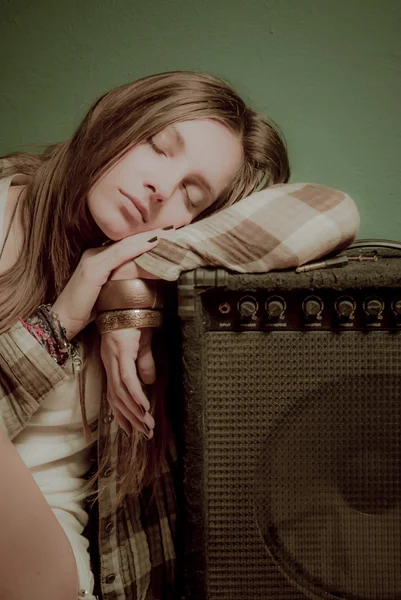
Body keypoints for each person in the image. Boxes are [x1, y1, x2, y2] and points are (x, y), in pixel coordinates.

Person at [0, 70, 290, 600]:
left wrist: (127, 288)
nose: (162, 187)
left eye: (193, 194)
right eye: (159, 147)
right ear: (119, 120)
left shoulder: (161, 280)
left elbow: (332, 212)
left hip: (48, 578)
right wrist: (60, 322)